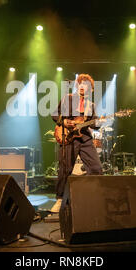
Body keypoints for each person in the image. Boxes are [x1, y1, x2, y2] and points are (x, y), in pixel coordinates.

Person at [50, 74, 103, 213]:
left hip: (85, 138)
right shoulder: (68, 98)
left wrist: (100, 122)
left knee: (96, 168)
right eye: (80, 83)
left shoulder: (91, 106)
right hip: (69, 137)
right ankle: (60, 199)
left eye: (85, 84)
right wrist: (64, 122)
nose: (82, 86)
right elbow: (55, 114)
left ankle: (94, 198)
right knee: (65, 168)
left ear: (91, 89)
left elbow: (95, 125)